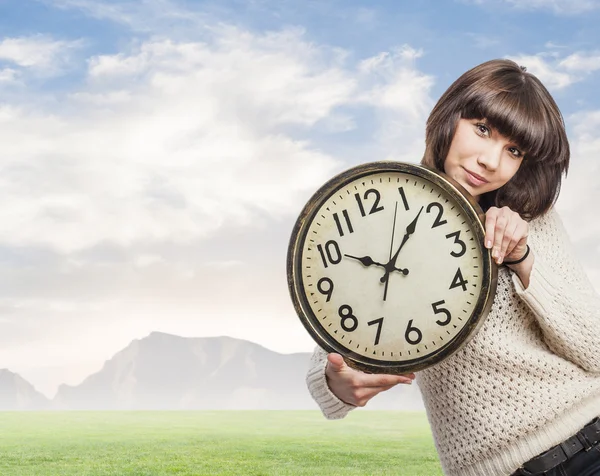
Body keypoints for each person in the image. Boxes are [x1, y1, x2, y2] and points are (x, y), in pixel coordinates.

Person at [306, 59, 600, 476]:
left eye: (513, 150)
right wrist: (340, 384)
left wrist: (521, 257)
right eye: (483, 129)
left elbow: (597, 349)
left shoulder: (532, 217)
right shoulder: (381, 203)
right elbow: (332, 359)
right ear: (450, 117)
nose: (490, 161)